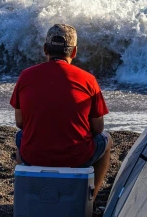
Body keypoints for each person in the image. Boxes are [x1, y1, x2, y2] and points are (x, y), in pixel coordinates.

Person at [10, 24, 111, 202]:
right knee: (107, 140)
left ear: (45, 49)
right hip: (77, 156)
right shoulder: (88, 80)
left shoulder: (26, 76)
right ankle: (90, 199)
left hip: (34, 155)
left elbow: (20, 122)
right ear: (74, 52)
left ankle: (32, 191)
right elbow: (98, 127)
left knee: (21, 137)